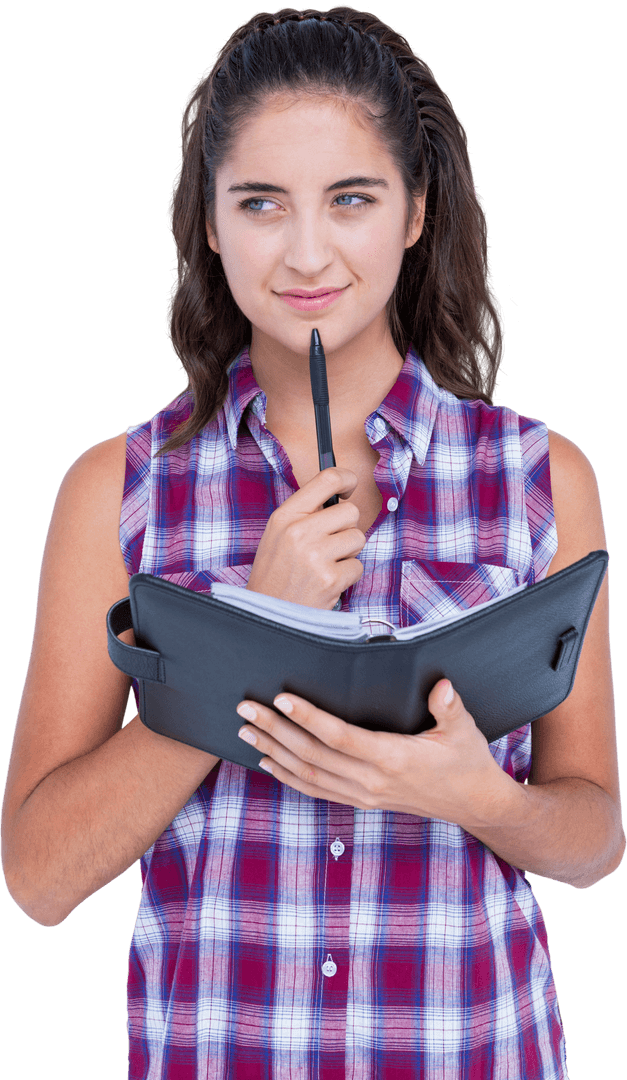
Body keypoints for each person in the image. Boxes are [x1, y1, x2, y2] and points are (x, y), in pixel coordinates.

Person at [1, 5, 624, 1078]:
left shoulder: (540, 478)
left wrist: (478, 797)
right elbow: (40, 878)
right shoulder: (120, 488)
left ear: (416, 212)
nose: (304, 252)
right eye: (259, 203)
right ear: (209, 220)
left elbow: (595, 834)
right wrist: (248, 630)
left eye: (350, 199)